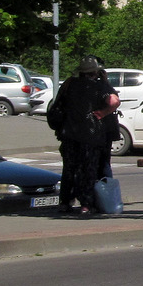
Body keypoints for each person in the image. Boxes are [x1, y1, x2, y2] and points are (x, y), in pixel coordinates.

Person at [54, 54, 120, 216]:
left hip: (69, 133)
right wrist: (103, 113)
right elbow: (114, 101)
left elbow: (58, 104)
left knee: (69, 169)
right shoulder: (99, 87)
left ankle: (65, 202)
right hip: (91, 134)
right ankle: (86, 204)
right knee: (89, 169)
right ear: (96, 72)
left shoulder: (69, 84)